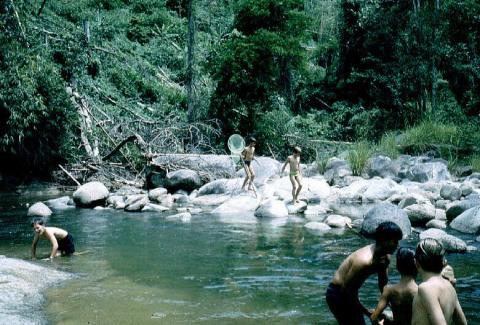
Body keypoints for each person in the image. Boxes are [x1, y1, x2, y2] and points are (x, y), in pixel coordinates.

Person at [326, 221, 403, 325]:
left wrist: (391, 305)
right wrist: (367, 312)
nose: (397, 245)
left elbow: (383, 285)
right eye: (395, 241)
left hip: (349, 292)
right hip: (337, 294)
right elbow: (346, 292)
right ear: (385, 241)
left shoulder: (385, 257)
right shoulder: (364, 261)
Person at [411, 238, 467, 325]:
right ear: (442, 263)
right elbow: (462, 323)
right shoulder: (450, 287)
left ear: (416, 263)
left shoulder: (426, 288)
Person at [371, 247, 418, 325]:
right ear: (417, 266)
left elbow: (374, 318)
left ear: (397, 267)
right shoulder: (420, 291)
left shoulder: (388, 290)